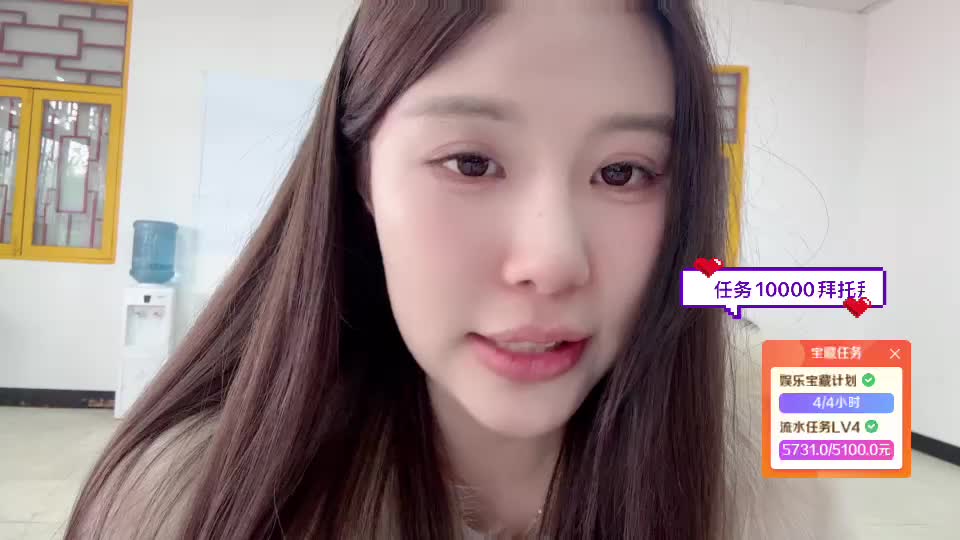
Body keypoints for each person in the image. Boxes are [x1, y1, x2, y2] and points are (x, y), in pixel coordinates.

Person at [66, 1, 845, 538]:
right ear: (361, 172)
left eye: (622, 172)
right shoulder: (189, 507)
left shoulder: (759, 476)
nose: (552, 262)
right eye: (471, 162)